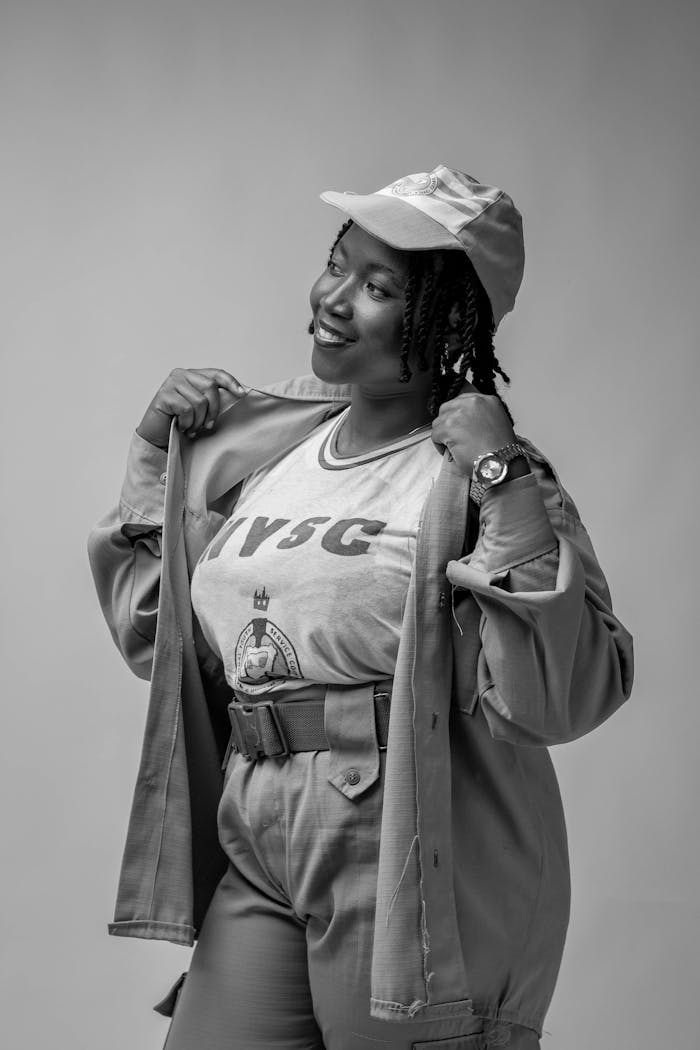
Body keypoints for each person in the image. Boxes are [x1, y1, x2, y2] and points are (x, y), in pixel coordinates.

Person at [88, 165, 634, 1050]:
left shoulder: (476, 476)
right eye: (338, 264)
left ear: (446, 323)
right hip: (258, 819)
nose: (336, 299)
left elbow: (562, 696)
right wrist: (155, 455)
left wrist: (500, 476)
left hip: (405, 837)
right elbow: (161, 640)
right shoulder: (269, 451)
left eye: (378, 288)